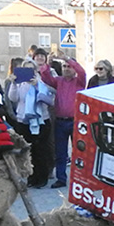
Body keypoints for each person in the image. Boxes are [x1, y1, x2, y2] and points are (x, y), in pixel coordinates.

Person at [37, 55, 86, 188]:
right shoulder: (58, 81)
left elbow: (82, 72)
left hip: (76, 121)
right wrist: (49, 62)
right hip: (60, 121)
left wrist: (67, 59)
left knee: (79, 152)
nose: (66, 69)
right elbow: (45, 77)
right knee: (60, 152)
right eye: (64, 66)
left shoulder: (79, 81)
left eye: (69, 67)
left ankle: (79, 178)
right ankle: (61, 178)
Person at [7, 60, 53, 188]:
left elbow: (46, 98)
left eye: (30, 69)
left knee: (40, 150)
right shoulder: (20, 84)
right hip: (24, 120)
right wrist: (14, 84)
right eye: (25, 69)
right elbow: (13, 98)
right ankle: (31, 177)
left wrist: (37, 85)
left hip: (40, 120)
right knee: (28, 150)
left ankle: (42, 177)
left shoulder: (41, 82)